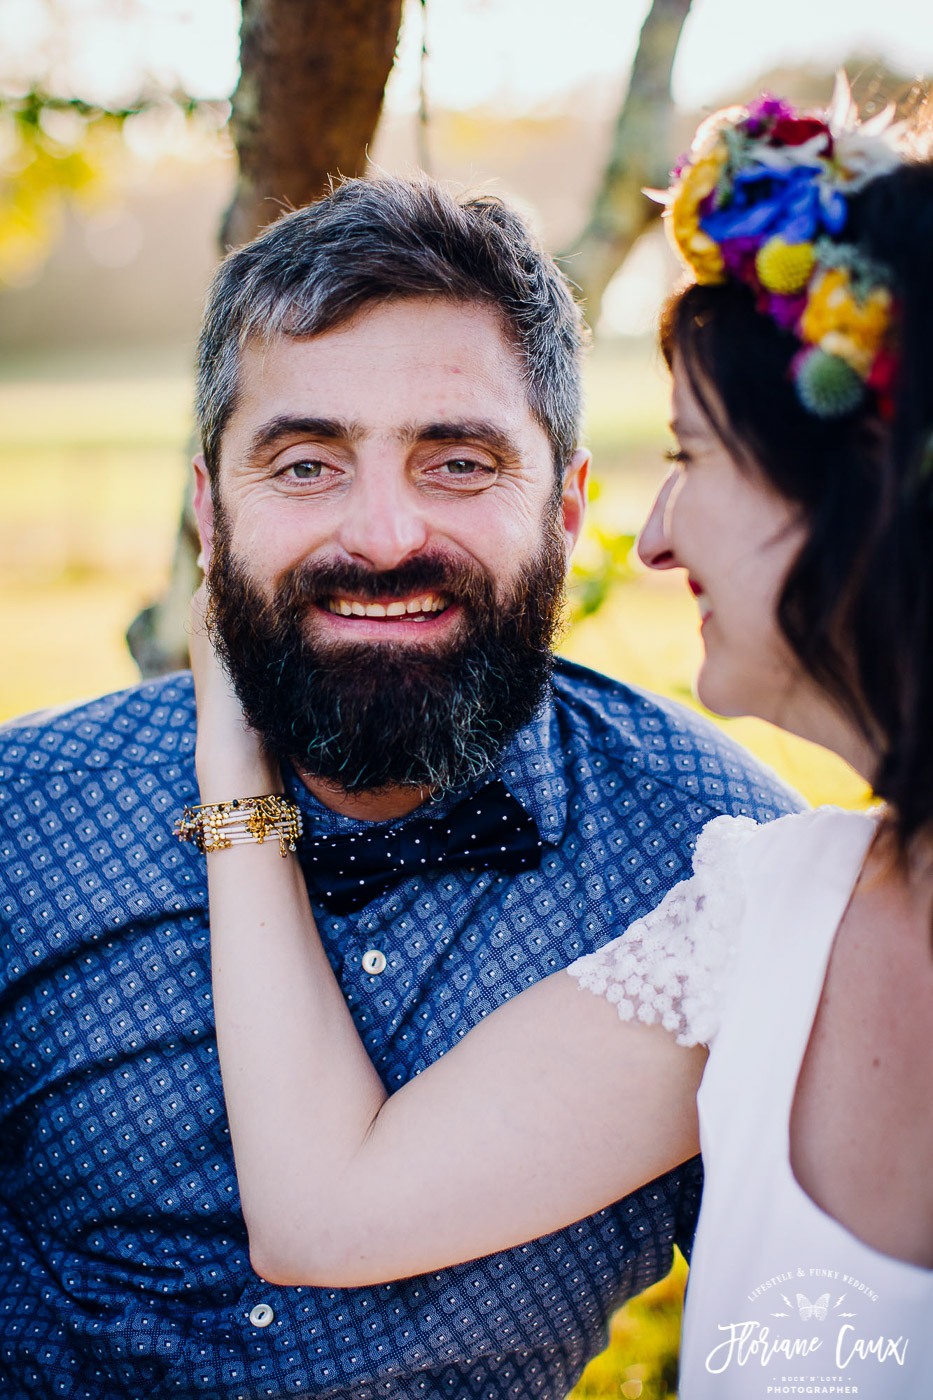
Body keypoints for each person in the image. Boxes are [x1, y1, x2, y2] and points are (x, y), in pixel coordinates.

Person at [188, 88, 933, 1399]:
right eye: (306, 464)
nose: (656, 537)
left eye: (693, 455)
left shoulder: (704, 833)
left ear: (856, 500)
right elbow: (325, 1213)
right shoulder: (766, 910)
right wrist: (235, 764)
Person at [0, 181, 797, 1398]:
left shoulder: (712, 860)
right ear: (209, 512)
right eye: (306, 463)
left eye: (459, 462)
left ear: (569, 507)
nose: (382, 536)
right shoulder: (26, 816)